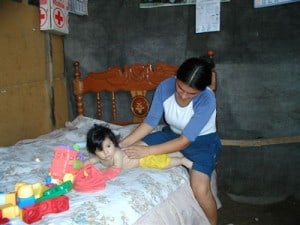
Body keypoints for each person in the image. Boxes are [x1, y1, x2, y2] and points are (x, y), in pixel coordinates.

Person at [119, 57, 222, 225]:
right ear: (176, 77)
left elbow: (185, 141)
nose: (183, 94)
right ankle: (178, 158)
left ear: (202, 90)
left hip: (203, 142)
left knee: (200, 190)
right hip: (172, 134)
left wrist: (148, 151)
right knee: (124, 155)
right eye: (180, 88)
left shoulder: (207, 99)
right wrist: (124, 143)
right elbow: (150, 122)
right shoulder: (165, 86)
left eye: (191, 93)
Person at [84, 124, 193, 170]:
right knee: (161, 153)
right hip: (139, 152)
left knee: (160, 162)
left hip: (141, 158)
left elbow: (116, 169)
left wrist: (103, 174)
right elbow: (89, 161)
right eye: (101, 150)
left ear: (113, 143)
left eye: (108, 146)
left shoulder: (116, 153)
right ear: (94, 151)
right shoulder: (99, 157)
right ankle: (177, 152)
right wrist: (76, 167)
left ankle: (181, 161)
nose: (106, 152)